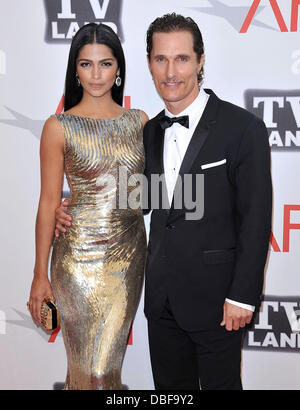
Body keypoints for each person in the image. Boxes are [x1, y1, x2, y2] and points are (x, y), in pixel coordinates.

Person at [55, 13, 272, 390]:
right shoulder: (148, 129)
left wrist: (242, 296)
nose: (171, 72)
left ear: (200, 61)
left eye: (182, 58)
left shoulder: (242, 128)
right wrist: (75, 207)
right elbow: (139, 201)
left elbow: (255, 220)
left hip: (220, 303)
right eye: (160, 59)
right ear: (149, 63)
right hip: (163, 304)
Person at [28, 23, 148, 390]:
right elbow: (48, 200)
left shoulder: (140, 122)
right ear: (75, 70)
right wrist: (39, 275)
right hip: (75, 260)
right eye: (86, 64)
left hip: (127, 257)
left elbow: (143, 197)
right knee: (86, 370)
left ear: (119, 68)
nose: (96, 74)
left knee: (106, 371)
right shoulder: (57, 127)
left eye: (106, 63)